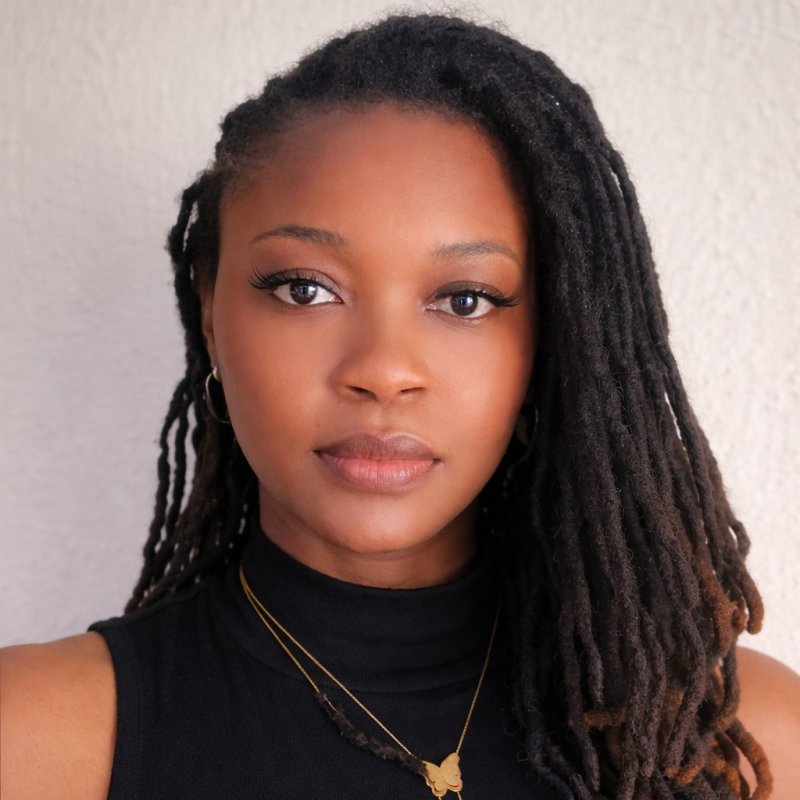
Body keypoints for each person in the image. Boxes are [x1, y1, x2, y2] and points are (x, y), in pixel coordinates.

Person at [1, 12, 798, 800]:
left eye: (465, 299)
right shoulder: (40, 738)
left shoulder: (740, 743)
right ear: (211, 314)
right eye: (304, 288)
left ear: (554, 337)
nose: (382, 372)